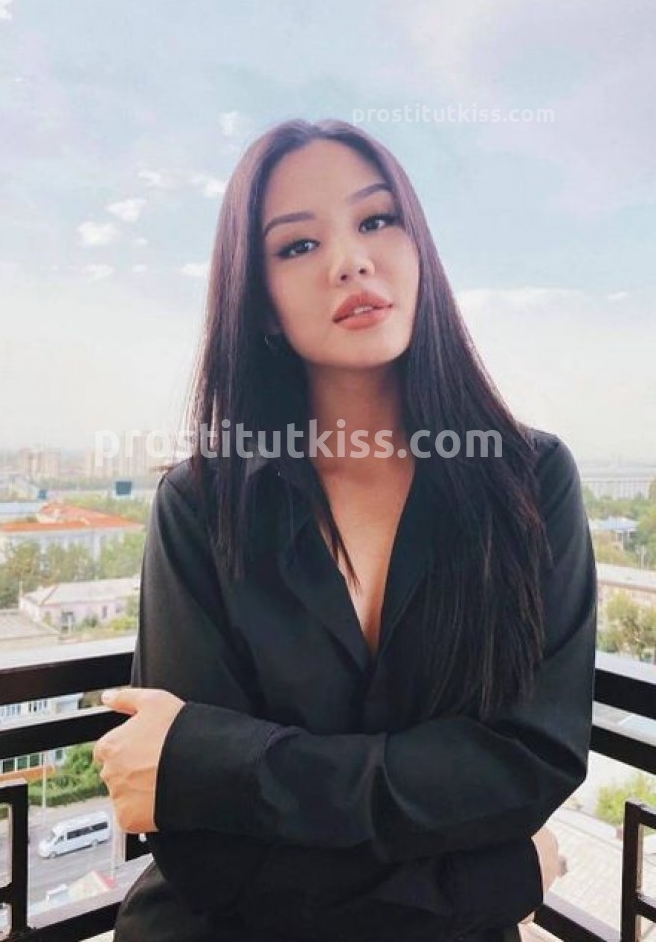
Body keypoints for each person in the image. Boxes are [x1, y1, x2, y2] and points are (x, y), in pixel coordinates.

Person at [94, 118, 597, 942]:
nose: (350, 261)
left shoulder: (529, 482)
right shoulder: (202, 504)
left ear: (419, 249)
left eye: (376, 219)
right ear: (260, 302)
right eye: (298, 245)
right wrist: (489, 883)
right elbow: (204, 852)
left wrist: (228, 767)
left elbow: (530, 763)